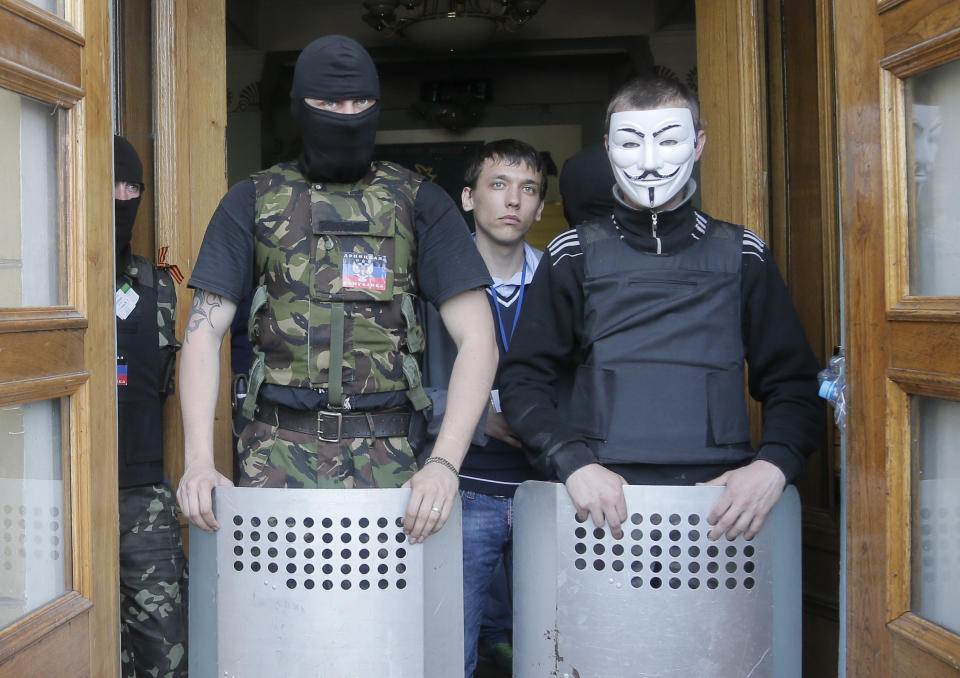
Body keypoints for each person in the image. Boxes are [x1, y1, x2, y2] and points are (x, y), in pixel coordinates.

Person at [175, 35, 497, 546]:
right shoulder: (252, 200)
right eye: (328, 104)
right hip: (274, 458)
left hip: (392, 466)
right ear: (300, 108)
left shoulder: (420, 202)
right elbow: (202, 332)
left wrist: (443, 463)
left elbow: (479, 338)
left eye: (360, 103)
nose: (346, 116)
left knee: (385, 623)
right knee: (276, 618)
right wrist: (197, 461)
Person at [499, 75, 823, 541]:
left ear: (698, 144)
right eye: (632, 143)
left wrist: (774, 465)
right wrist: (572, 463)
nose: (650, 163)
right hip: (600, 503)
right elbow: (524, 379)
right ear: (609, 146)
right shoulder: (572, 253)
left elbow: (793, 381)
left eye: (669, 140)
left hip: (718, 507)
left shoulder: (743, 253)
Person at [420, 140, 548, 677]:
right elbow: (403, 383)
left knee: (556, 645)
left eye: (529, 190)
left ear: (541, 208)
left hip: (548, 490)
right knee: (451, 650)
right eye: (498, 185)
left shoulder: (559, 279)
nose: (513, 201)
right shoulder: (430, 282)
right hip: (461, 488)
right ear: (468, 198)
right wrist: (472, 416)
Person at [113, 135, 188, 677]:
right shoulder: (51, 283)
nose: (122, 196)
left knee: (163, 653)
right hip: (62, 493)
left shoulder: (159, 286)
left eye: (131, 186)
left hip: (144, 498)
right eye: (110, 185)